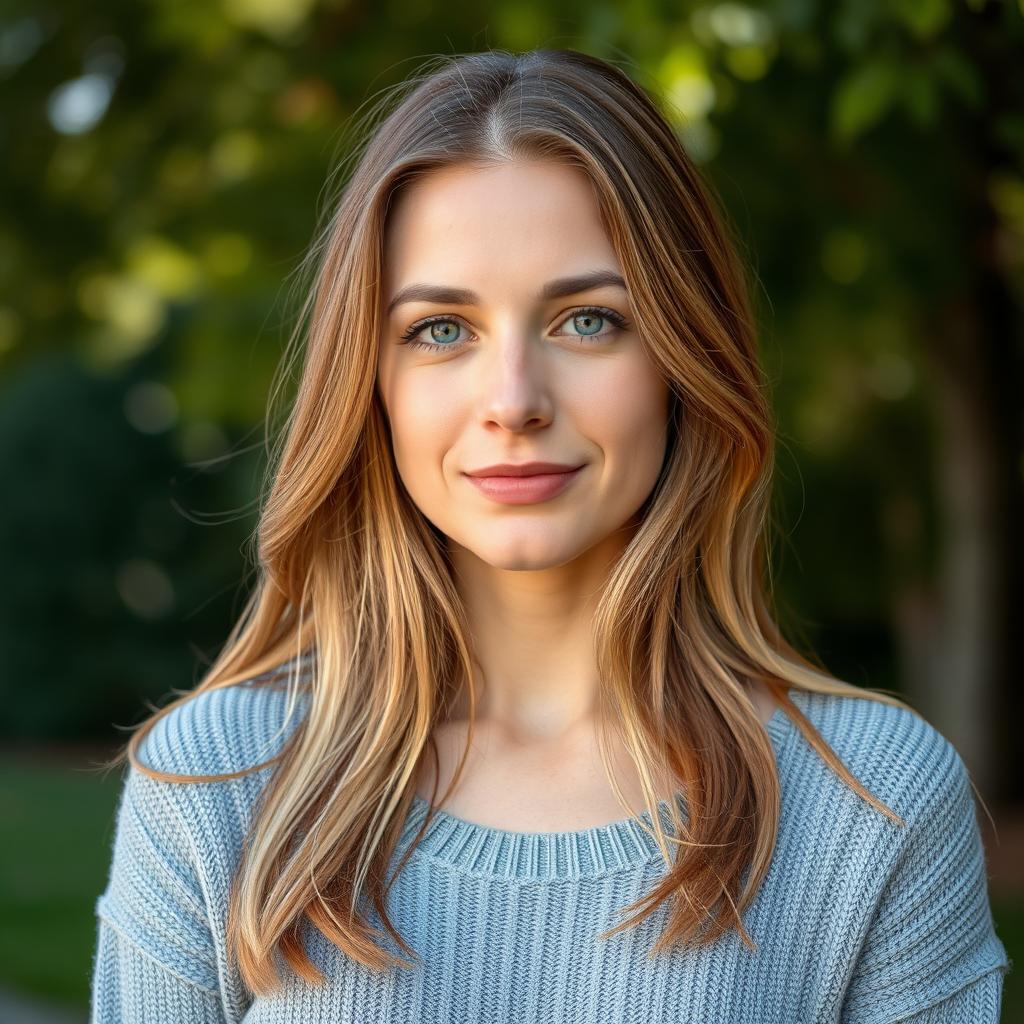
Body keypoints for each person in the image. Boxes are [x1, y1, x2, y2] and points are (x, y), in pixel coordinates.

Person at [89, 49, 1010, 1023]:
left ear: (682, 356)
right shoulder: (214, 783)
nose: (514, 401)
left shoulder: (875, 805)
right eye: (441, 330)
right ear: (372, 384)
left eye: (586, 320)